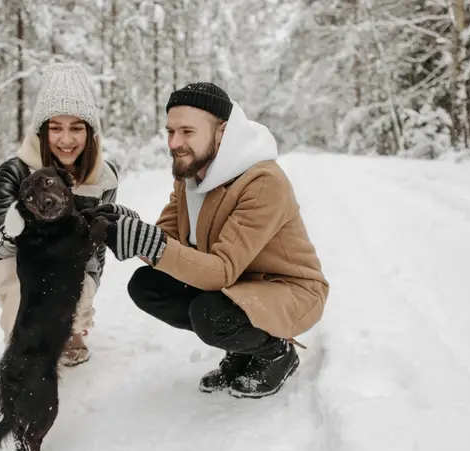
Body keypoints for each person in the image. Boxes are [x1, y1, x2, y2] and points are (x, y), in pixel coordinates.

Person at [95, 82, 330, 399]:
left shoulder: (263, 181)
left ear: (222, 132)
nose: (175, 143)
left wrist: (149, 243)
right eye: (170, 131)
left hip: (286, 289)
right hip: (237, 286)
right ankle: (241, 347)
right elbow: (166, 241)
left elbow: (220, 271)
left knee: (210, 313)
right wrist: (128, 226)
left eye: (187, 132)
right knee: (147, 285)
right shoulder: (191, 176)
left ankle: (275, 352)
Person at [0, 62, 120, 367]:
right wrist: (19, 220)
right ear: (42, 131)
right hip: (12, 266)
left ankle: (68, 329)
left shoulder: (103, 178)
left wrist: (85, 297)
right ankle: (23, 352)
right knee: (27, 287)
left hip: (68, 265)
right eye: (56, 128)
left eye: (76, 128)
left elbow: (96, 252)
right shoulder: (15, 171)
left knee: (71, 282)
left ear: (90, 131)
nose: (66, 140)